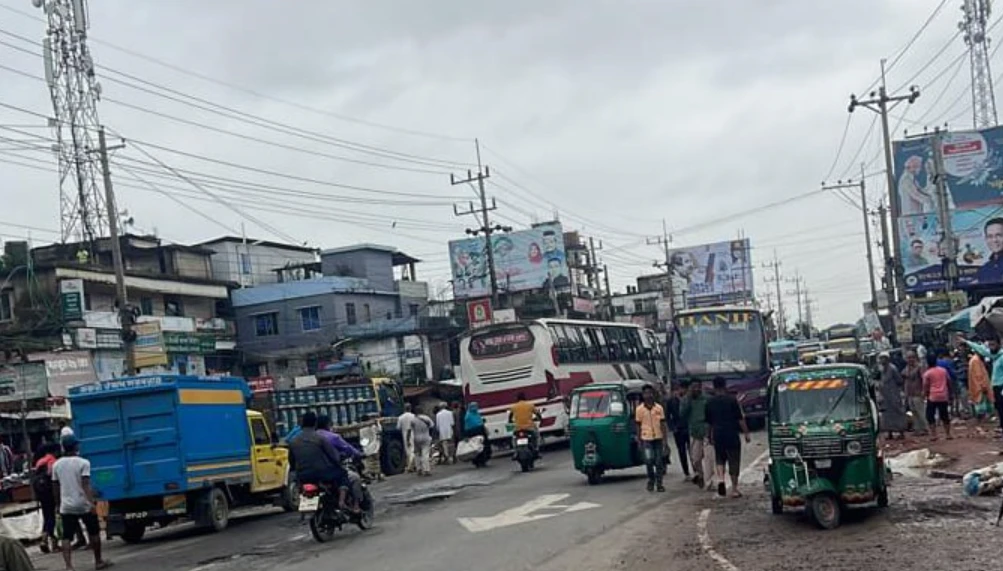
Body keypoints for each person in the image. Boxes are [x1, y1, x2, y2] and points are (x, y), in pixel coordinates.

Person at [52, 436, 111, 570]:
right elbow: (86, 485)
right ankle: (98, 561)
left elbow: (55, 487)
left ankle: (69, 566)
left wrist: (58, 504)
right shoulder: (83, 463)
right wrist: (92, 503)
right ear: (75, 447)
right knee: (94, 532)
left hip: (67, 505)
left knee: (66, 536)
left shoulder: (57, 464)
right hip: (83, 504)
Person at [288, 412, 353, 512]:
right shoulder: (320, 438)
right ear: (315, 424)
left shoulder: (293, 441)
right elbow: (334, 456)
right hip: (323, 474)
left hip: (303, 476)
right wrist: (339, 462)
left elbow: (291, 462)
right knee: (343, 474)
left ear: (301, 424)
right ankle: (341, 501)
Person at [705, 377, 750, 498]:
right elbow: (740, 418)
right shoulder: (732, 400)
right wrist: (746, 433)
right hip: (731, 433)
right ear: (725, 386)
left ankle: (721, 480)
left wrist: (709, 436)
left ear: (714, 387)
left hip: (718, 433)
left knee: (720, 458)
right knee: (734, 460)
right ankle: (734, 489)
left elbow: (709, 422)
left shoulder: (709, 402)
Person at [960, 334, 1003, 435]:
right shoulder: (994, 355)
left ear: (998, 344)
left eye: (993, 345)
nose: (991, 347)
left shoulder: (1001, 356)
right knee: (999, 406)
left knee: (1001, 406)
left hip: (1001, 386)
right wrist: (967, 342)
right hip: (996, 386)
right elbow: (982, 349)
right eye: (990, 345)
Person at [681, 379, 714, 489]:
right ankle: (700, 475)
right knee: (695, 459)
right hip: (694, 433)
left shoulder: (707, 399)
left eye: (698, 387)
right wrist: (689, 400)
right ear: (690, 388)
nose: (696, 389)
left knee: (709, 458)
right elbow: (682, 414)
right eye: (693, 387)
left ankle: (709, 482)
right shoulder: (686, 400)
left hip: (707, 432)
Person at [634, 384, 669, 493]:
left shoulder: (659, 408)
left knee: (659, 462)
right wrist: (639, 440)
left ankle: (659, 484)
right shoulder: (639, 409)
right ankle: (651, 480)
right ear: (643, 395)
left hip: (658, 438)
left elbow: (663, 424)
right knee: (649, 460)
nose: (648, 395)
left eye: (650, 393)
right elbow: (638, 425)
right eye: (646, 393)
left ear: (653, 394)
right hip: (646, 438)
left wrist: (665, 441)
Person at [32, 443, 59, 554]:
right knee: (52, 517)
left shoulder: (39, 461)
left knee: (46, 516)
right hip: (49, 493)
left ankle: (46, 539)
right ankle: (51, 542)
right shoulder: (52, 460)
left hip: (41, 494)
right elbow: (52, 476)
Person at [878, 352, 907, 439]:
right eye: (881, 358)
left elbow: (899, 380)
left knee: (898, 412)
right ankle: (890, 432)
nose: (882, 360)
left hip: (894, 394)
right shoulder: (882, 369)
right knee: (887, 414)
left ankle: (901, 432)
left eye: (883, 358)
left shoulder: (893, 368)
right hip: (886, 396)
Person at [924, 355, 953, 440]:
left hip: (932, 396)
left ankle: (934, 435)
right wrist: (950, 393)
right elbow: (949, 382)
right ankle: (948, 434)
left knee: (930, 415)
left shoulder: (927, 373)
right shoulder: (943, 371)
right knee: (945, 415)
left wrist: (925, 394)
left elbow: (926, 386)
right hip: (943, 395)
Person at [664, 383, 690, 481]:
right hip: (678, 430)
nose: (679, 391)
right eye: (677, 389)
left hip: (688, 428)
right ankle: (686, 473)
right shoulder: (671, 401)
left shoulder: (688, 400)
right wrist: (672, 427)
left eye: (682, 389)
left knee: (693, 451)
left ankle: (696, 471)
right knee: (681, 451)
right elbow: (667, 416)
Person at [901, 351, 928, 436]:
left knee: (921, 412)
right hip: (910, 393)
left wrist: (924, 391)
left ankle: (925, 428)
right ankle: (917, 429)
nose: (910, 360)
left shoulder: (919, 367)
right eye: (908, 358)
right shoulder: (907, 368)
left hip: (918, 392)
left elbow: (924, 379)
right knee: (913, 412)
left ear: (915, 358)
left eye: (911, 357)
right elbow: (903, 375)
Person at [508, 393, 541, 458]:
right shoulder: (530, 405)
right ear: (525, 398)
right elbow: (538, 414)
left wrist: (510, 421)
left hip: (518, 428)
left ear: (517, 399)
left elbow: (510, 417)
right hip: (529, 427)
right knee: (537, 436)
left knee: (514, 439)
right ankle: (536, 449)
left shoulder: (514, 407)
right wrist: (539, 418)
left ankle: (515, 452)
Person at [968, 345, 995, 422]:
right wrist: (983, 386)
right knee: (981, 402)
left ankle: (982, 417)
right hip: (979, 386)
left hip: (977, 385)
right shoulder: (976, 361)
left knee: (980, 401)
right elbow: (979, 375)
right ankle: (982, 418)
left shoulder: (976, 360)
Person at [976, 217, 1003, 284]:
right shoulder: (984, 269)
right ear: (986, 239)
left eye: (999, 235)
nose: (994, 240)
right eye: (990, 236)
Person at [411, 410, 435, 476]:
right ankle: (426, 469)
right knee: (425, 454)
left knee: (417, 454)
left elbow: (411, 429)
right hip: (426, 437)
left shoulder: (413, 420)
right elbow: (432, 426)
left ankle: (418, 469)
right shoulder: (427, 418)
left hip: (416, 438)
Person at [396, 405, 417, 473]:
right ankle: (412, 466)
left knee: (408, 451)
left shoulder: (400, 417)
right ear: (410, 408)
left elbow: (398, 427)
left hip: (404, 435)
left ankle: (410, 466)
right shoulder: (413, 416)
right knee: (413, 450)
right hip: (413, 434)